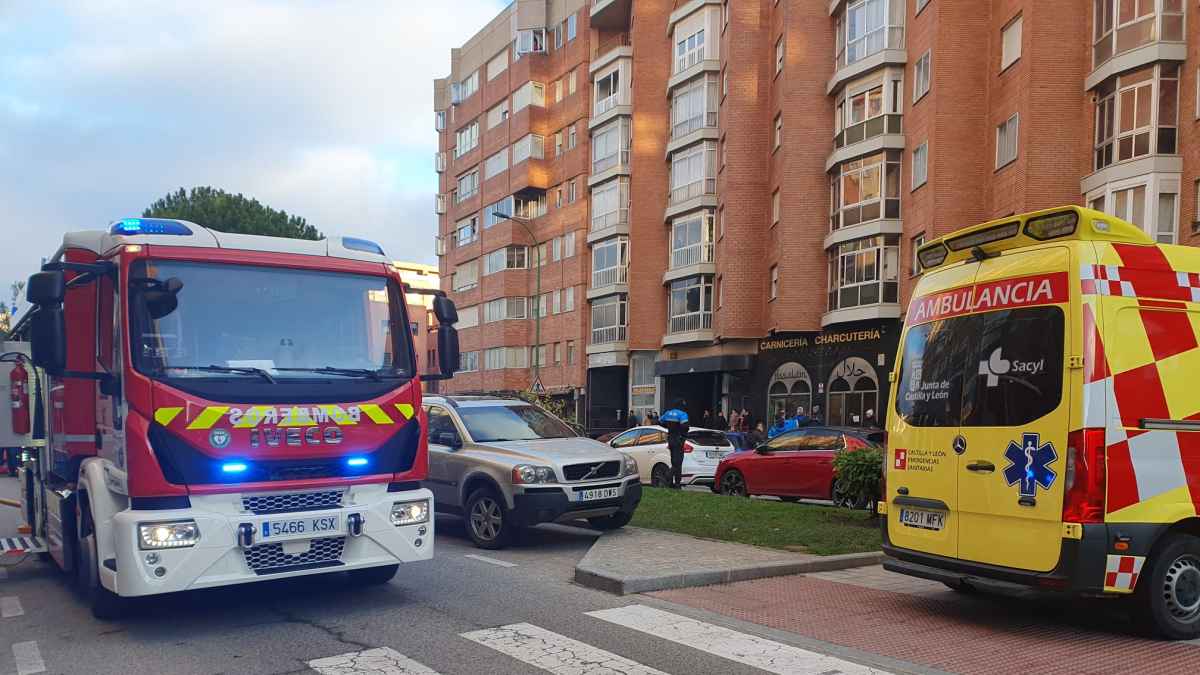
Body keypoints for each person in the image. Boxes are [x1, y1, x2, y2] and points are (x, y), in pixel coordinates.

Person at [658, 400, 690, 489]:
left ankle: (677, 485)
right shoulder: (682, 414)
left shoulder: (668, 413)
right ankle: (665, 481)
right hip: (678, 440)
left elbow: (659, 421)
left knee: (675, 462)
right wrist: (682, 435)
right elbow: (685, 426)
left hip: (671, 439)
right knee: (677, 463)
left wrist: (668, 427)